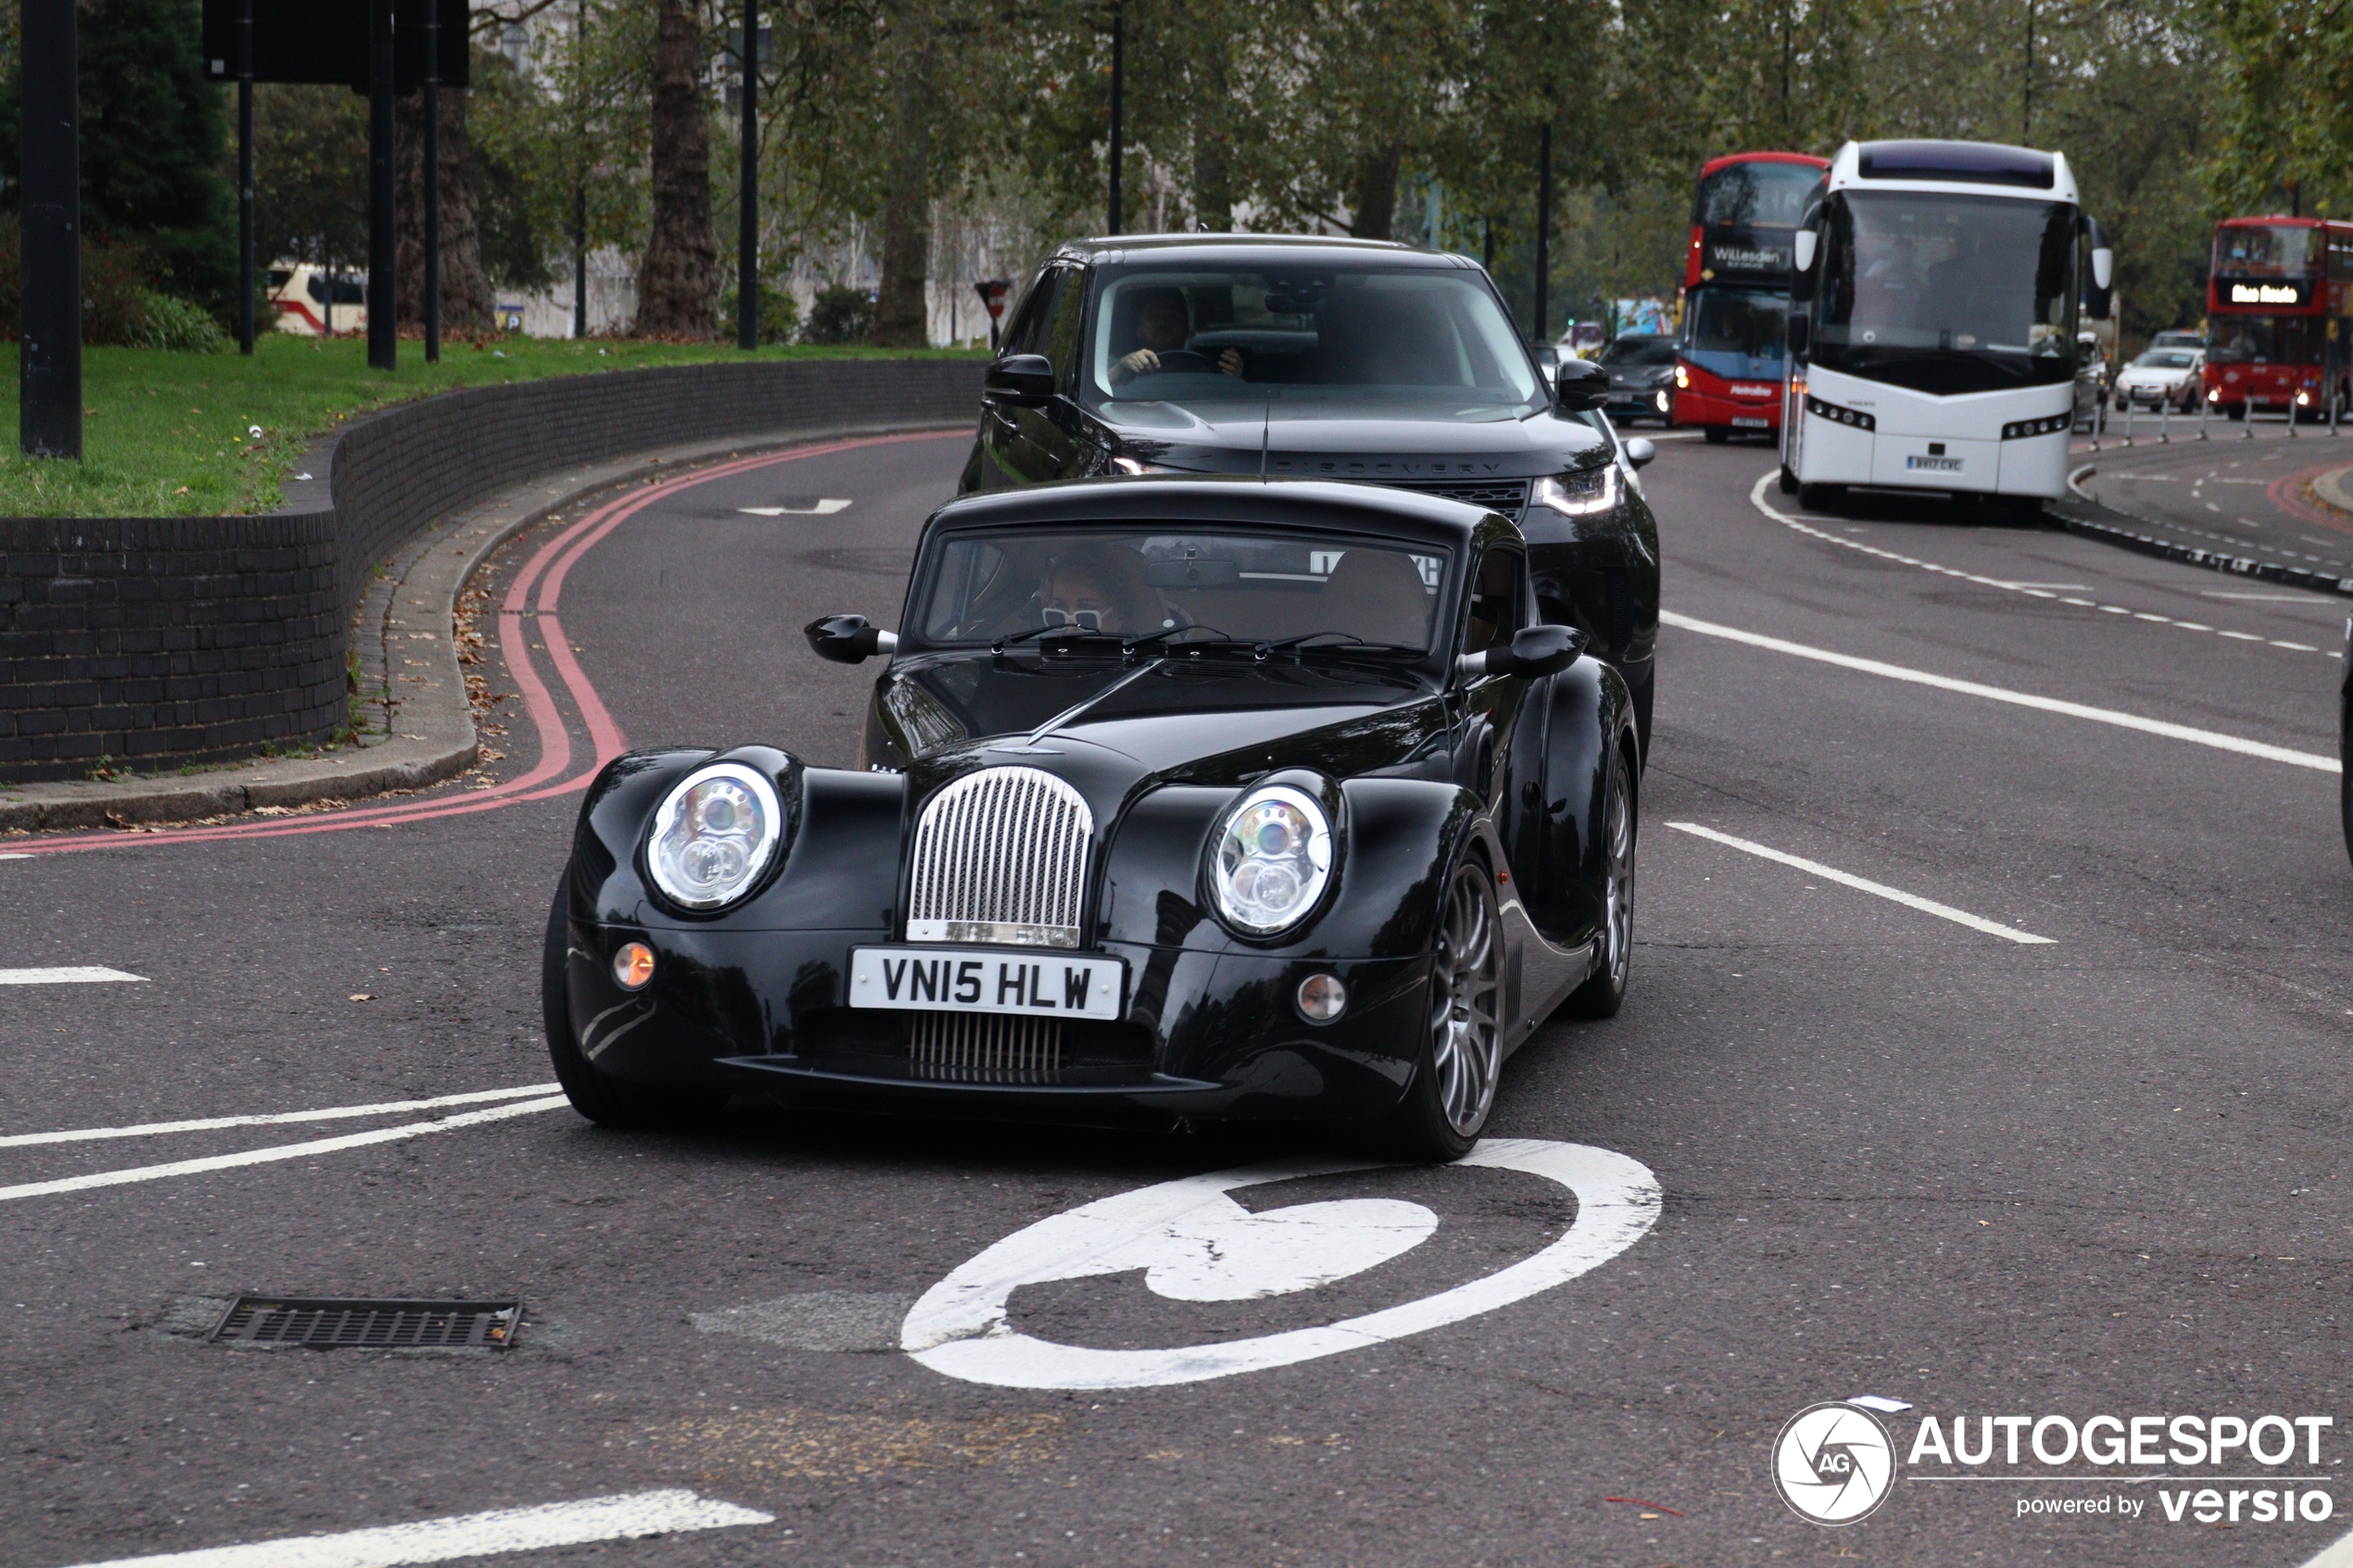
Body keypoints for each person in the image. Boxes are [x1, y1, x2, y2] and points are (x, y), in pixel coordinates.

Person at [1111, 288, 1245, 386]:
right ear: (1138, 329)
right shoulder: (1118, 367)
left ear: (1186, 329)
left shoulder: (1206, 369)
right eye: (1154, 317)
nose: (1163, 323)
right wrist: (1121, 367)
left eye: (1172, 317)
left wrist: (1235, 378)